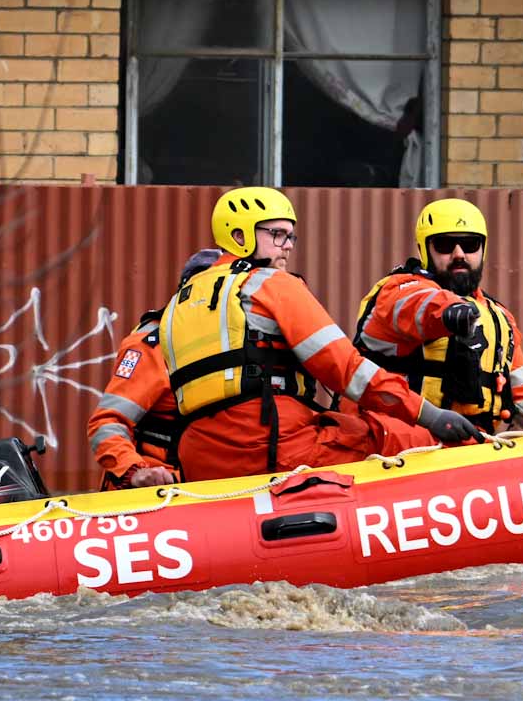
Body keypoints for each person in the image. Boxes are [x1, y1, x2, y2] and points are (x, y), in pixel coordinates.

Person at [159, 187, 480, 482]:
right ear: (239, 235)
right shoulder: (270, 283)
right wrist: (430, 415)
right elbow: (344, 368)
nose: (287, 246)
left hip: (199, 457)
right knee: (404, 437)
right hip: (272, 444)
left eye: (290, 237)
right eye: (277, 234)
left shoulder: (177, 306)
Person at [353, 198, 523, 434]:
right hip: (395, 448)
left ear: (482, 249)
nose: (459, 254)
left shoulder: (498, 317)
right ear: (424, 249)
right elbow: (419, 305)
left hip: (471, 449)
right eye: (444, 245)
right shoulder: (399, 290)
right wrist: (450, 312)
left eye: (470, 244)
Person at [88, 249, 221, 489]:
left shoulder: (235, 346)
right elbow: (106, 423)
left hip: (210, 489)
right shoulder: (152, 345)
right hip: (155, 491)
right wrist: (135, 471)